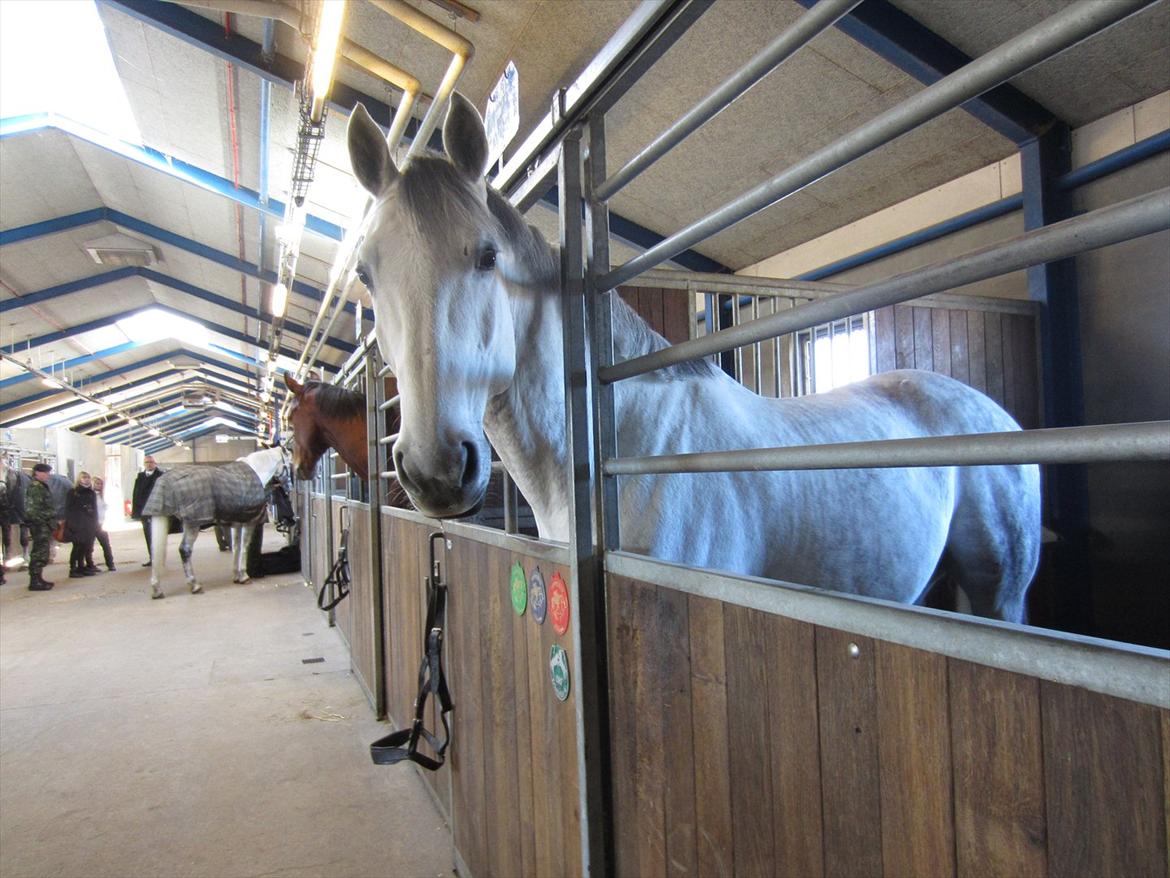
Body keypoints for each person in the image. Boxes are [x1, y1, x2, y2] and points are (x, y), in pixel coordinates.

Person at [24, 463, 57, 591]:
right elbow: (32, 510)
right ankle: (35, 581)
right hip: (40, 525)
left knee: (42, 552)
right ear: (37, 473)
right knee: (39, 552)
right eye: (46, 472)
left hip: (43, 524)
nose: (48, 475)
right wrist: (44, 520)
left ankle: (38, 578)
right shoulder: (35, 487)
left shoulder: (40, 486)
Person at [65, 472, 99, 579]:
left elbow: (94, 509)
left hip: (89, 524)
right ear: (79, 479)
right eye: (84, 477)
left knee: (86, 546)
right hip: (77, 524)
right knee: (77, 546)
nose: (87, 480)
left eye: (88, 477)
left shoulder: (91, 493)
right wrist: (71, 524)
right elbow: (68, 509)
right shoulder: (73, 492)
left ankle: (81, 566)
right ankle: (73, 568)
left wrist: (95, 523)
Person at [131, 455, 164, 566]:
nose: (149, 464)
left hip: (157, 511)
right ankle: (152, 558)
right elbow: (136, 494)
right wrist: (136, 513)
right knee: (148, 535)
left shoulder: (161, 476)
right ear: (144, 464)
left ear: (155, 463)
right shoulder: (140, 477)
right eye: (147, 462)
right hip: (144, 511)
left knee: (158, 535)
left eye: (151, 462)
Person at [88, 476, 116, 571]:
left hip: (100, 524)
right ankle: (90, 564)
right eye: (97, 483)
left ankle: (110, 564)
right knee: (89, 546)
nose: (99, 486)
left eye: (100, 484)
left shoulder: (101, 495)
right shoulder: (90, 495)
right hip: (92, 524)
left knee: (106, 545)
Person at [46, 470, 72, 563]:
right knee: (54, 535)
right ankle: (51, 555)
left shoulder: (46, 483)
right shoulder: (67, 482)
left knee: (50, 535)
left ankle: (49, 555)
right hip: (61, 512)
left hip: (49, 514)